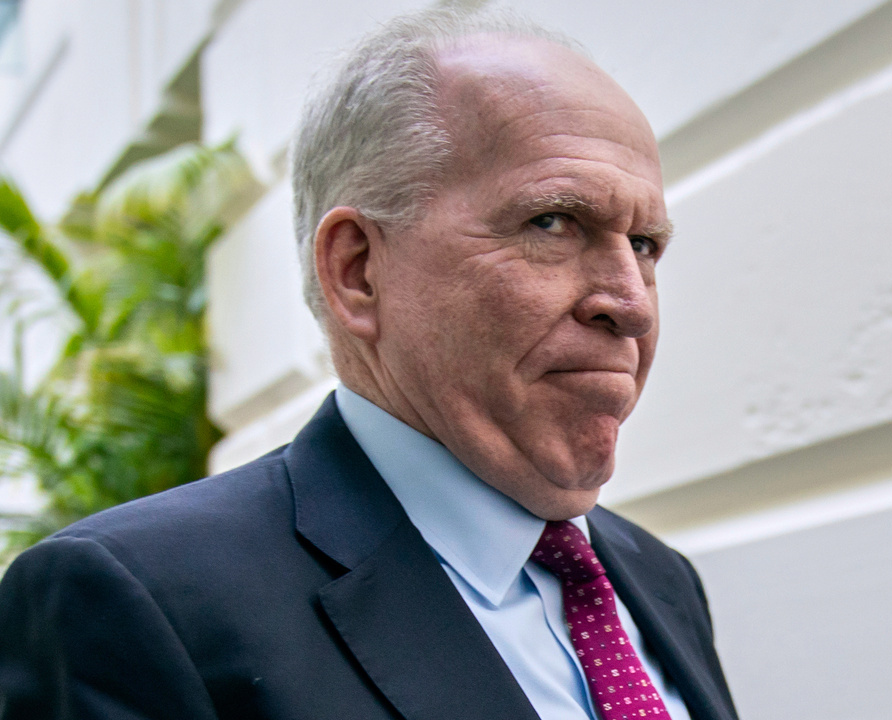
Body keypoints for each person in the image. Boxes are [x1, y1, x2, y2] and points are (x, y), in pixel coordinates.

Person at [0, 9, 738, 720]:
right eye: (553, 222)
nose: (630, 303)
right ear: (356, 271)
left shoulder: (658, 579)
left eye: (644, 245)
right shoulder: (140, 601)